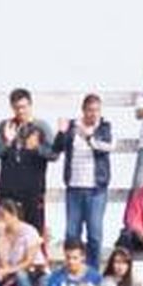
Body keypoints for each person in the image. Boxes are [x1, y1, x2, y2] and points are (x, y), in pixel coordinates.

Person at [53, 94, 113, 268]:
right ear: (84, 110)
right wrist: (61, 132)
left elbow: (107, 147)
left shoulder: (104, 127)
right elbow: (56, 149)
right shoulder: (73, 127)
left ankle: (92, 273)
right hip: (74, 188)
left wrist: (88, 137)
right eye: (90, 110)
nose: (93, 114)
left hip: (96, 189)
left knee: (94, 234)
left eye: (97, 110)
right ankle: (73, 270)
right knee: (72, 234)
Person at [0, 88, 55, 233]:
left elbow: (54, 154)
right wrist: (7, 141)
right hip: (8, 189)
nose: (21, 111)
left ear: (30, 105)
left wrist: (37, 148)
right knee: (3, 231)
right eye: (17, 108)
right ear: (12, 107)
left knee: (32, 233)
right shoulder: (5, 125)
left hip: (33, 190)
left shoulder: (41, 127)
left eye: (24, 107)